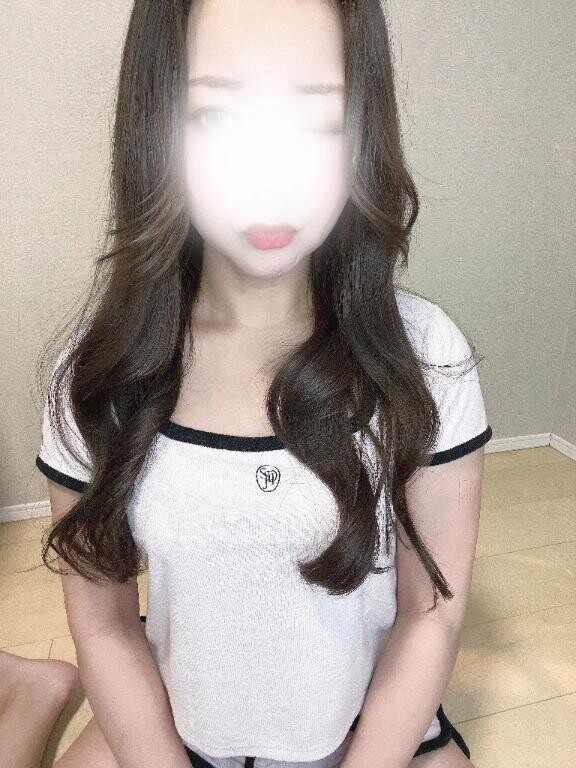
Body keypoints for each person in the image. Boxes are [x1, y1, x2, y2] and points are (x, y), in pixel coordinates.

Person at [34, 1, 492, 767]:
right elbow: (105, 625)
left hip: (371, 735)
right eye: (217, 118)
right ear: (157, 126)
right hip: (174, 731)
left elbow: (430, 615)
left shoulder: (426, 356)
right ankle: (32, 694)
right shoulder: (96, 375)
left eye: (316, 122)